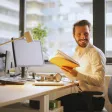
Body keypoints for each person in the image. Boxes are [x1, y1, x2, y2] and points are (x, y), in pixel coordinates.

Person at [58, 20, 106, 112]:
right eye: (79, 34)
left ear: (90, 33)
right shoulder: (77, 52)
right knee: (48, 103)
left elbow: (100, 81)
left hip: (94, 99)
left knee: (53, 104)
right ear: (74, 36)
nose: (83, 37)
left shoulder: (96, 53)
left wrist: (77, 74)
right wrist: (66, 70)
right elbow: (75, 76)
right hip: (82, 96)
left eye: (86, 34)